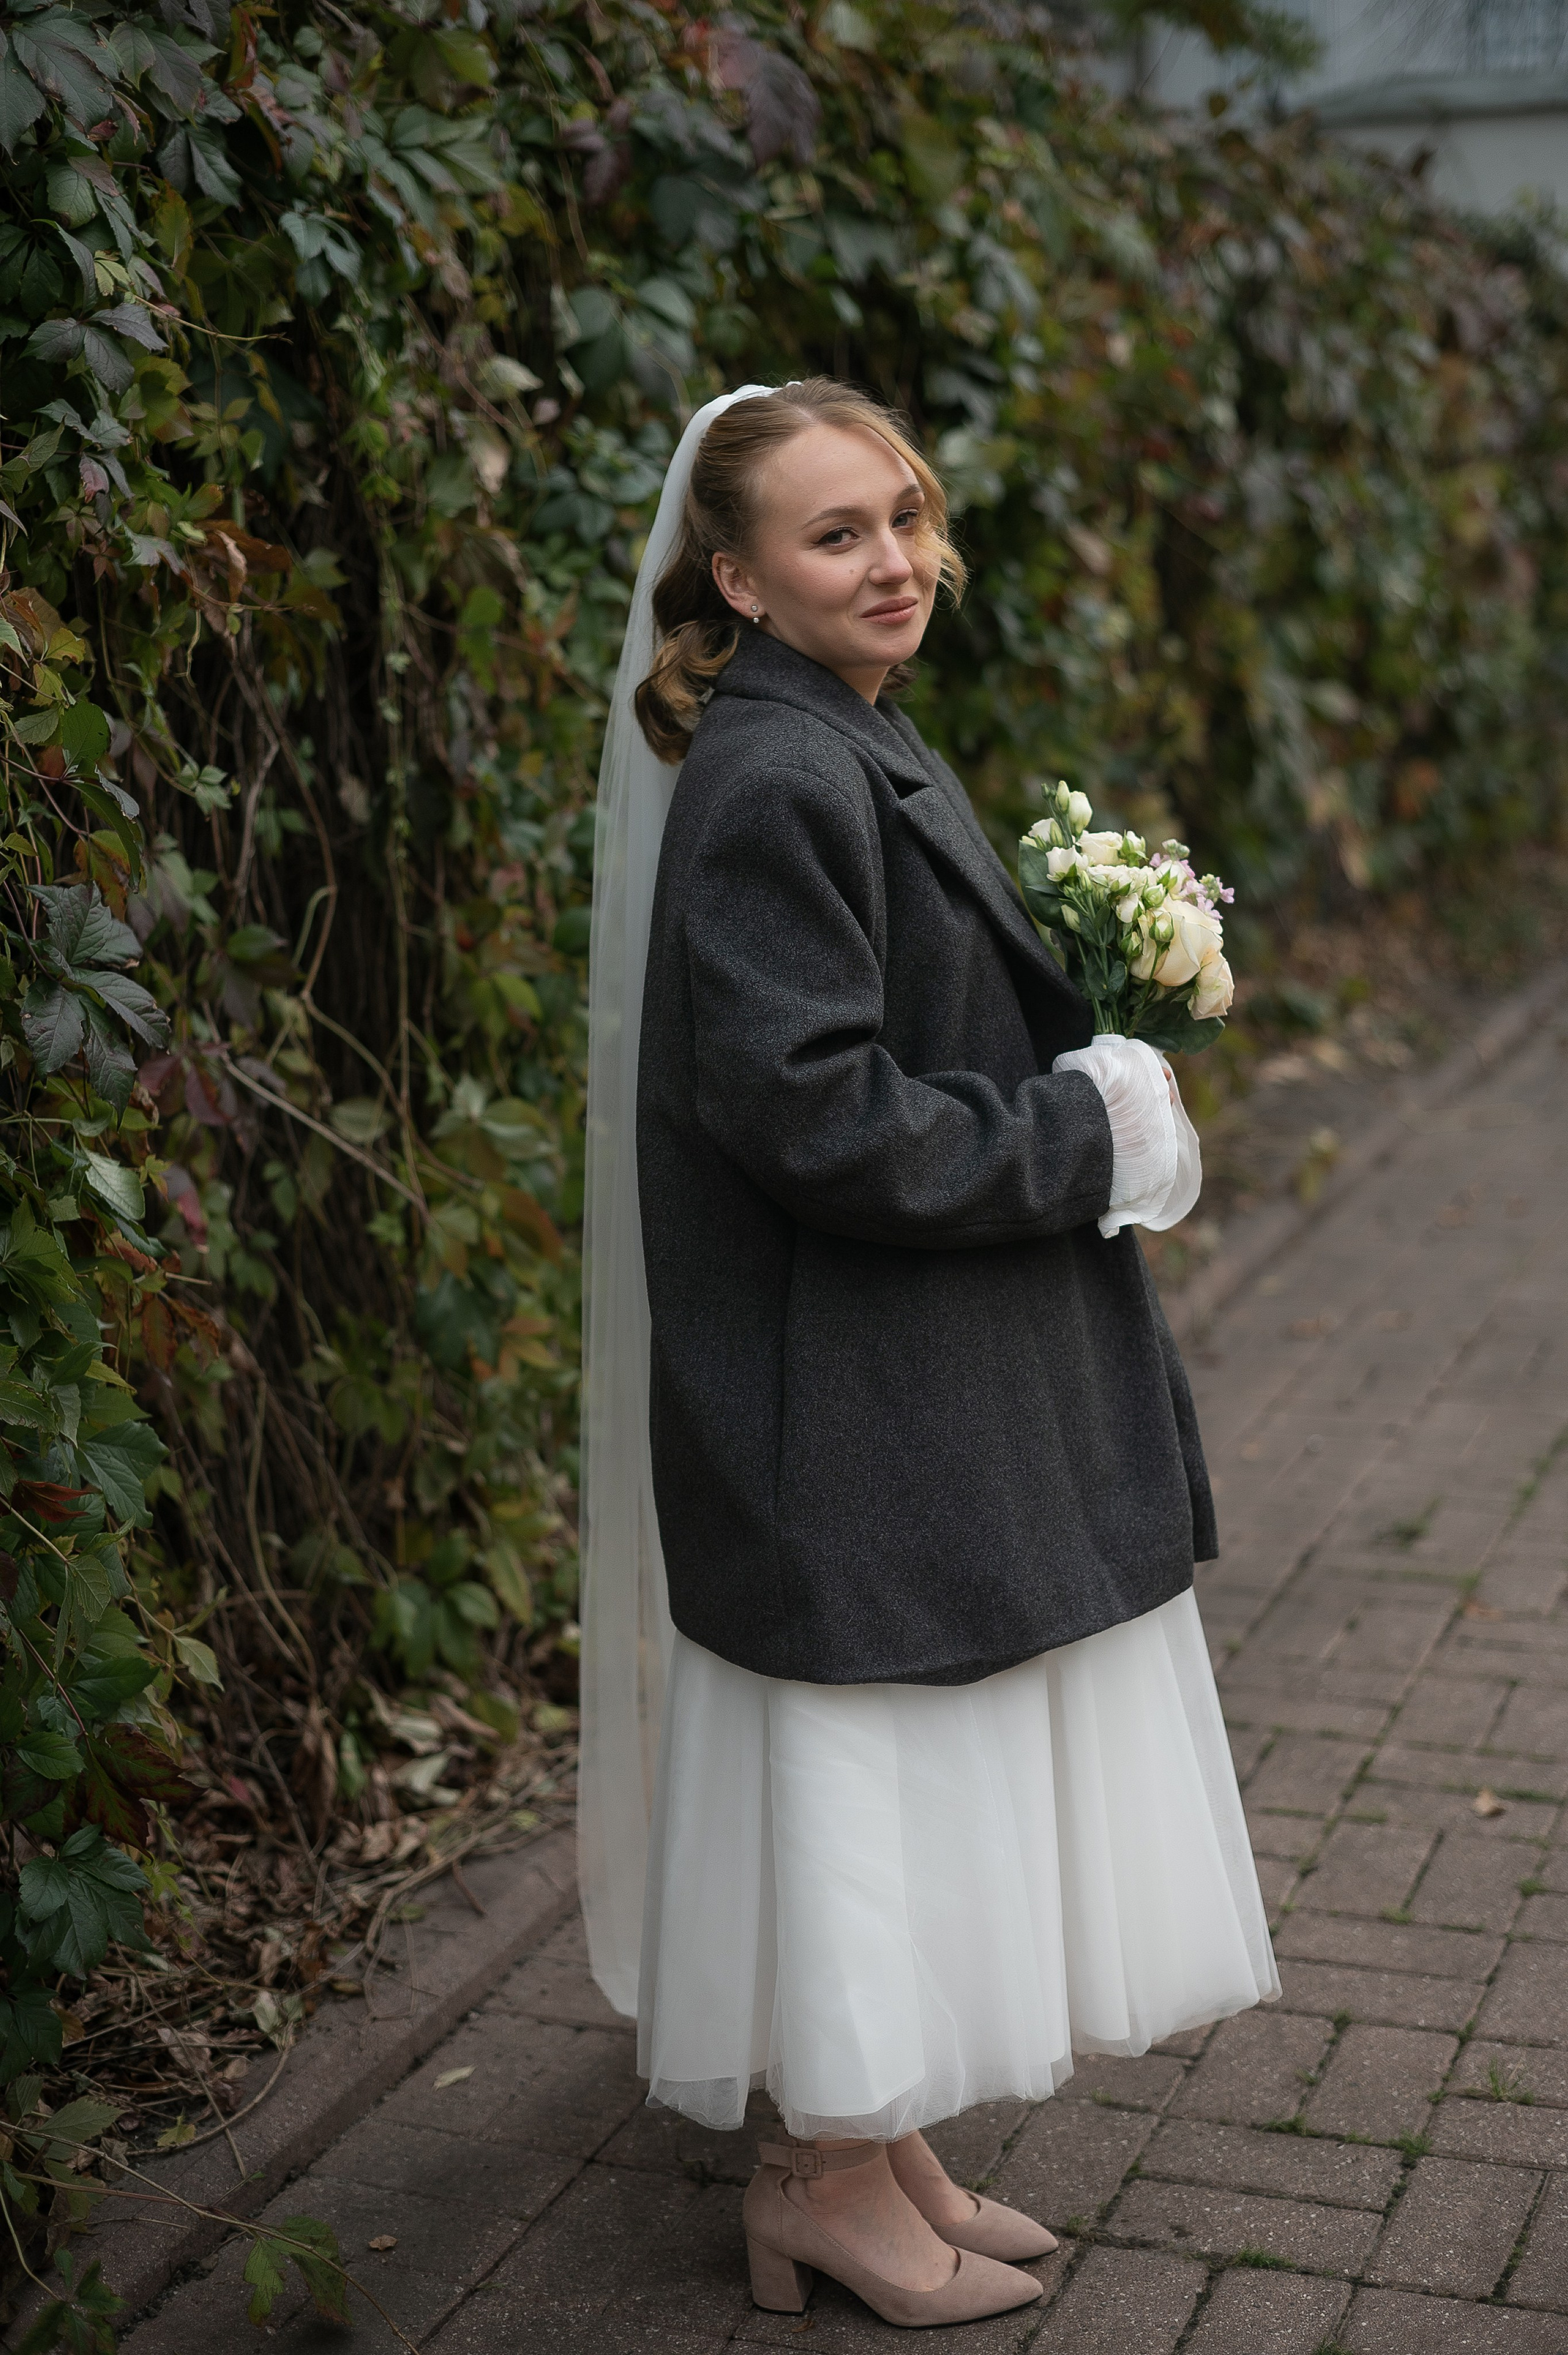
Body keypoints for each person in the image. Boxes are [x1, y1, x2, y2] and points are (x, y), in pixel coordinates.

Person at [579, 379, 1277, 2329]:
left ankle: (874, 2148)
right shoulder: (773, 778)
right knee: (855, 1772)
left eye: (900, 515)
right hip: (828, 1385)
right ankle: (811, 2177)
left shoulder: (843, 727)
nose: (891, 560)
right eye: (832, 535)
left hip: (893, 1366)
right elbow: (813, 1116)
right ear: (733, 574)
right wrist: (1091, 1135)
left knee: (903, 1756)